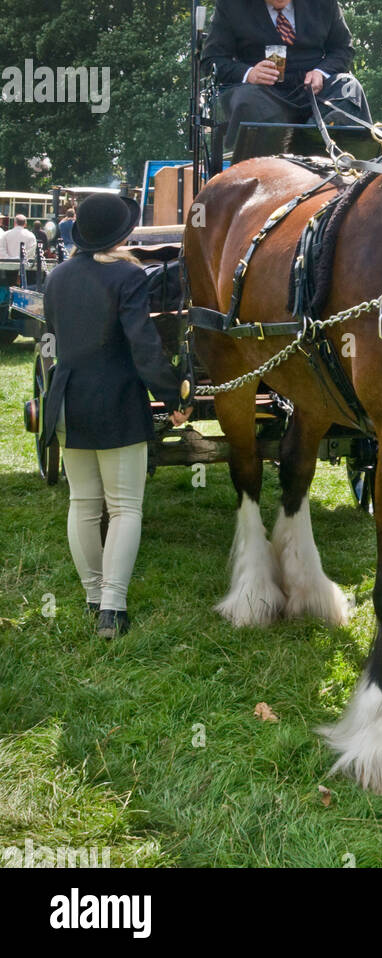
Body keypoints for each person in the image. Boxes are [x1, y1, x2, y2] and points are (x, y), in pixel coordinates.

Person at [41, 194, 191, 639]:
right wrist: (173, 395)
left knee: (83, 505)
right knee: (125, 508)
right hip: (117, 399)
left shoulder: (58, 277)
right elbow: (143, 345)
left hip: (67, 399)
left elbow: (54, 331)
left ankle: (93, 598)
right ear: (120, 235)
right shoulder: (128, 275)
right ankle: (113, 607)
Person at [202, 0, 371, 164]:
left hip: (315, 93)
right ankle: (260, 174)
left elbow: (343, 49)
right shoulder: (231, 2)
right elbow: (211, 60)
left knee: (349, 88)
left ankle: (330, 162)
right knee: (247, 100)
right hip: (264, 94)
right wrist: (248, 73)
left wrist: (322, 71)